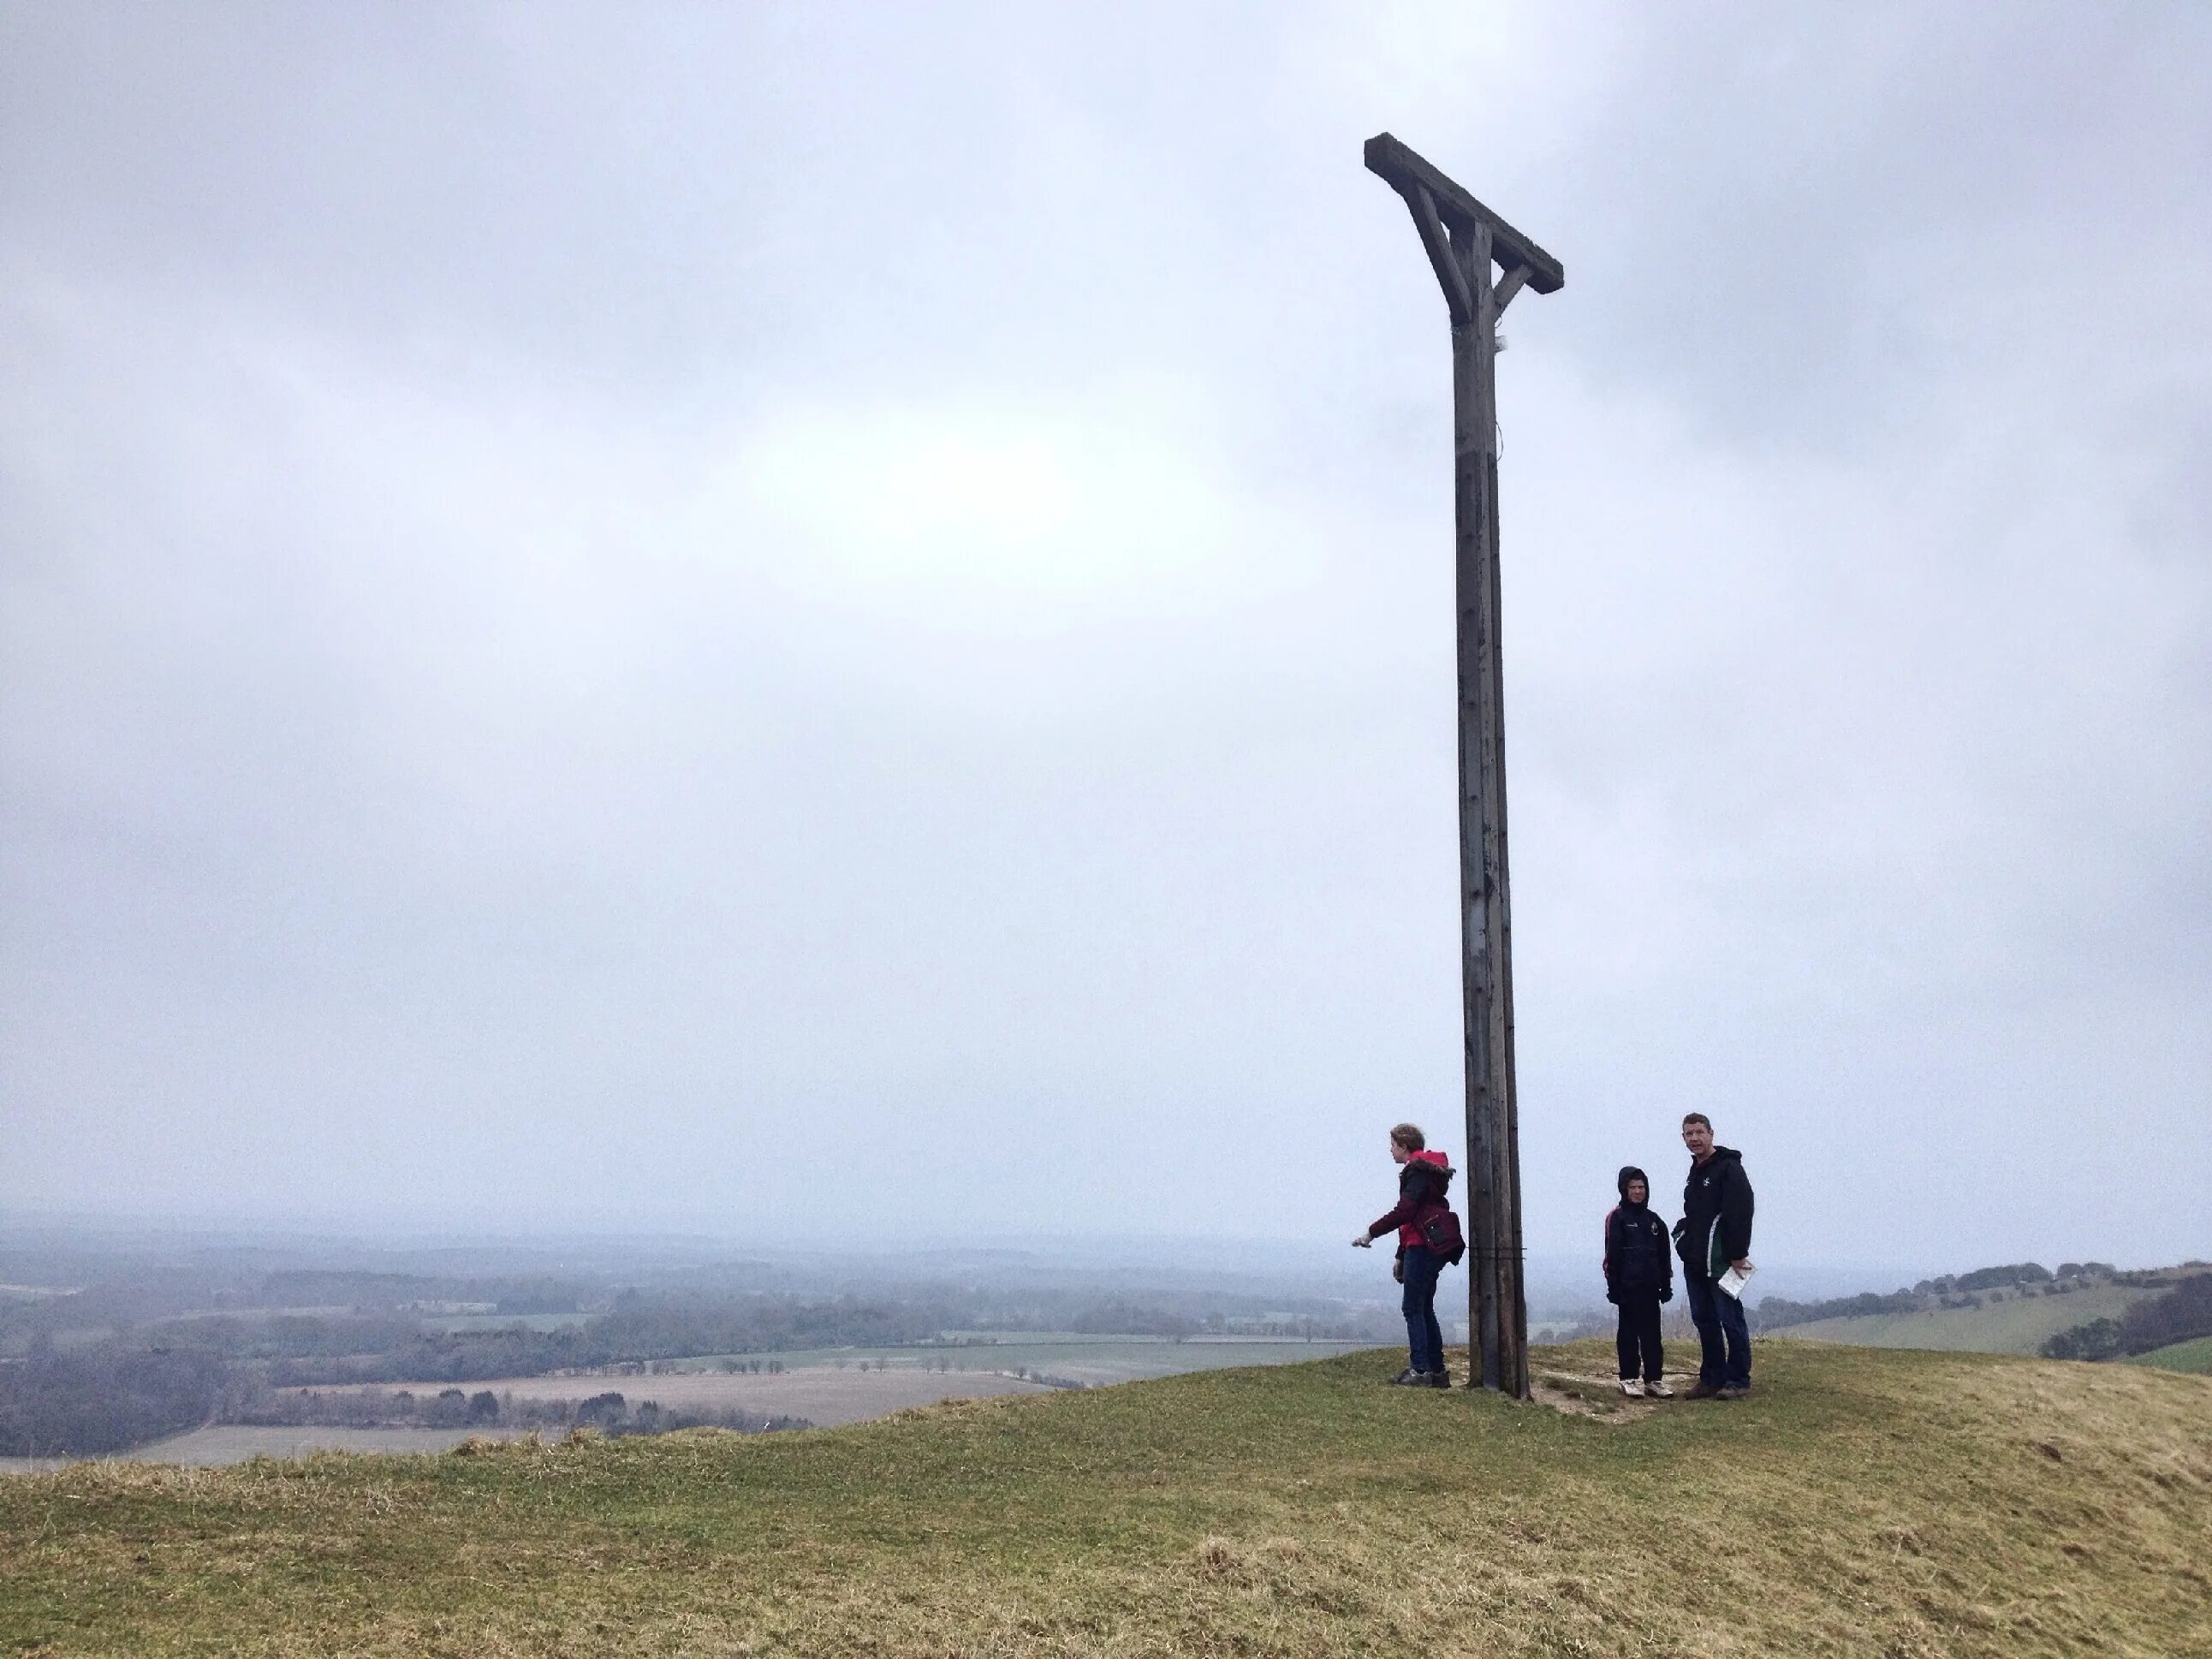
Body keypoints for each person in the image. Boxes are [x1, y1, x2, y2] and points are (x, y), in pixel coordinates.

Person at [1352, 1122, 1460, 1388]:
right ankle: (1436, 1371)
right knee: (1424, 1307)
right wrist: (1401, 1255)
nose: (1390, 1150)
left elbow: (1405, 1212)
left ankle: (1420, 1370)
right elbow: (1415, 1219)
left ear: (1404, 1146)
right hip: (1428, 1246)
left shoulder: (1416, 1172)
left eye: (1392, 1145)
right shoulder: (1427, 1172)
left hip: (1422, 1248)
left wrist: (1371, 1232)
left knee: (1413, 1307)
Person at [1674, 1113, 1755, 1400]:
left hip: (1721, 1261)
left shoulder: (1729, 1168)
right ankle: (1711, 1377)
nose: (1694, 1138)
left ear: (1711, 1134)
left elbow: (1742, 1211)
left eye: (1699, 1132)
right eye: (1688, 1134)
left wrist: (1737, 1253)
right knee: (1704, 1320)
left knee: (1730, 1319)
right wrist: (1681, 1237)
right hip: (1695, 1261)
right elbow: (1694, 1215)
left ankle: (1738, 1379)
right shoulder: (1696, 1170)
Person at [1603, 1165, 1674, 1397]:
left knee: (1653, 1335)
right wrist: (1613, 1285)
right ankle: (1629, 1378)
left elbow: (1664, 1255)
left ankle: (1654, 1379)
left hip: (1651, 1288)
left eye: (1641, 1187)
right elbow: (1611, 1254)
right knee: (1628, 1334)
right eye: (1632, 1187)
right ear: (1624, 1189)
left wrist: (1666, 1284)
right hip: (1627, 1288)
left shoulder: (1654, 1221)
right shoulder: (1617, 1217)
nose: (1637, 1191)